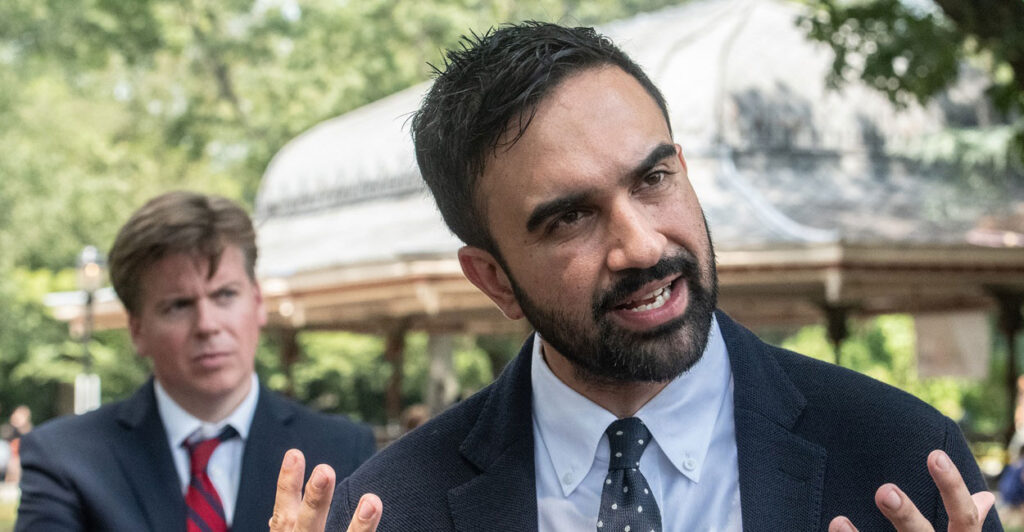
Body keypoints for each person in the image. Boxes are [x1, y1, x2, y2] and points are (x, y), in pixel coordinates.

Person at [273, 22, 999, 531]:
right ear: (493, 280)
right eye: (570, 219)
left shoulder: (905, 459)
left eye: (653, 178)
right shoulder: (386, 512)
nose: (642, 245)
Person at [15, 191, 377, 531]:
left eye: (224, 295)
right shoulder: (65, 459)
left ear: (257, 302)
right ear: (137, 330)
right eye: (179, 305)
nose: (207, 325)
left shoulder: (343, 450)